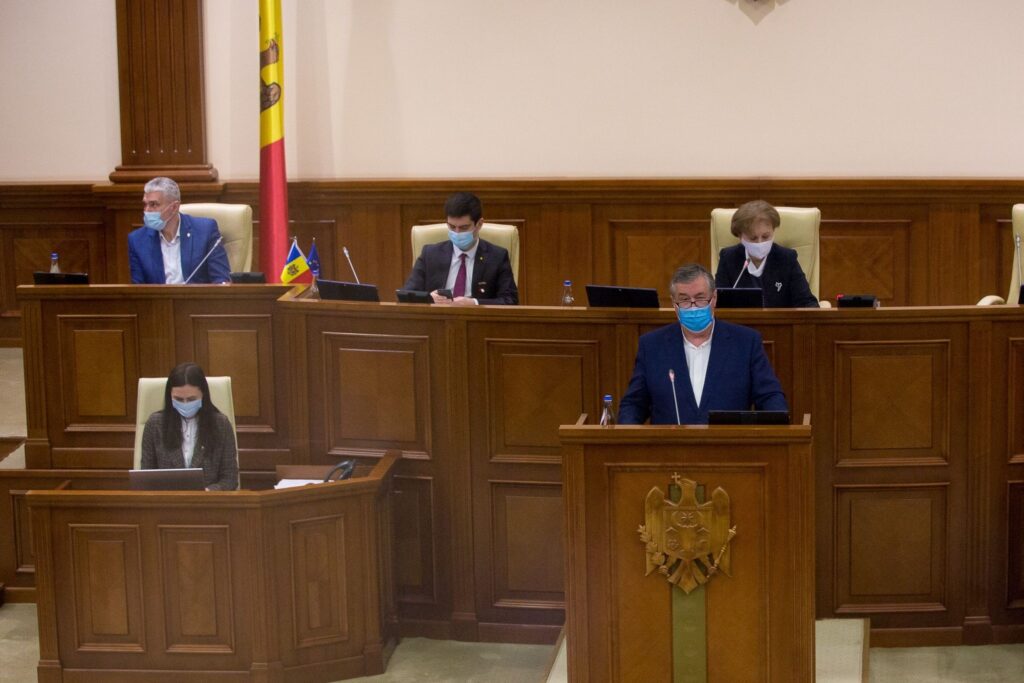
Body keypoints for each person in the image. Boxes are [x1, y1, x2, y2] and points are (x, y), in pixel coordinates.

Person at [618, 264, 788, 425]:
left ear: (714, 298)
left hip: (729, 444)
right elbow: (634, 404)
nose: (693, 307)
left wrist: (777, 430)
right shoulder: (652, 345)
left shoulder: (746, 342)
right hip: (669, 445)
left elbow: (770, 397)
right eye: (684, 300)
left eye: (700, 298)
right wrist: (628, 433)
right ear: (674, 305)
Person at [403, 192, 518, 305]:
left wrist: (474, 303)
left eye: (464, 227)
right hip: (438, 316)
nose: (457, 232)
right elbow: (406, 295)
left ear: (479, 224)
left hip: (477, 316)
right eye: (452, 227)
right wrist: (428, 298)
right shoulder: (430, 254)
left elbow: (510, 300)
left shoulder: (497, 257)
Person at [140, 362, 239, 491]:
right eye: (178, 399)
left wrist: (207, 493)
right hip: (167, 501)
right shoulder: (155, 424)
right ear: (170, 396)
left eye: (191, 399)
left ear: (203, 395)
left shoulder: (221, 425)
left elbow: (230, 478)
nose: (185, 404)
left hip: (208, 501)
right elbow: (146, 478)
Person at [713, 200, 819, 308]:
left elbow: (808, 303)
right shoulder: (728, 258)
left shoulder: (787, 258)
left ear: (773, 231)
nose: (760, 243)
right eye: (753, 238)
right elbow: (717, 303)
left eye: (765, 236)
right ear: (740, 237)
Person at [128, 177, 231, 284]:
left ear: (174, 207)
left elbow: (221, 279)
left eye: (153, 204)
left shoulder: (205, 231)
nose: (146, 211)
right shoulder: (137, 240)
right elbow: (138, 288)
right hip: (159, 296)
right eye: (145, 204)